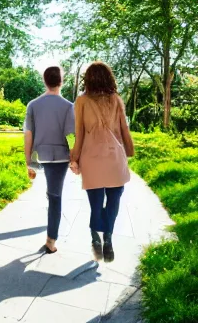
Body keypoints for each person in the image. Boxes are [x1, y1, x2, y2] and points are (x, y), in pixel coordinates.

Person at [69, 61, 133, 262]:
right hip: (114, 157)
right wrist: (129, 151)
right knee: (113, 202)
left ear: (87, 79)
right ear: (109, 78)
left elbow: (79, 133)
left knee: (96, 204)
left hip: (91, 158)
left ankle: (95, 237)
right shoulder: (116, 99)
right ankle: (108, 239)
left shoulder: (81, 101)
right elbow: (124, 129)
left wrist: (74, 159)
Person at [23, 66, 75, 254]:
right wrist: (74, 160)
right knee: (55, 197)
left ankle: (42, 180)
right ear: (62, 81)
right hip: (60, 157)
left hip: (40, 155)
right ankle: (50, 241)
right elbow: (71, 137)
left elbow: (29, 134)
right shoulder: (69, 106)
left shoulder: (33, 105)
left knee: (52, 193)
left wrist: (28, 161)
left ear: (44, 81)